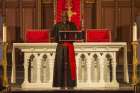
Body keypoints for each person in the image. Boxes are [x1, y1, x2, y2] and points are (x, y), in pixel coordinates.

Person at [52, 11, 77, 89]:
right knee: (60, 65)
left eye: (66, 16)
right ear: (61, 17)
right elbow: (54, 37)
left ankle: (70, 84)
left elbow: (76, 36)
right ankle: (60, 84)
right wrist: (60, 38)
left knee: (70, 66)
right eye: (63, 16)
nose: (64, 18)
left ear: (68, 17)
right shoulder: (57, 25)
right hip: (60, 47)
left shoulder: (72, 25)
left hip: (69, 47)